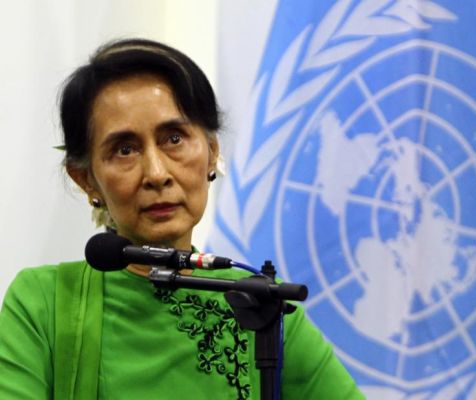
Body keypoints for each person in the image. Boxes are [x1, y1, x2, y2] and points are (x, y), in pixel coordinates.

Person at [0, 38, 364, 399]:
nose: (157, 173)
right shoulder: (43, 304)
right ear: (86, 180)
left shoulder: (261, 304)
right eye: (125, 150)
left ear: (211, 152)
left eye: (174, 139)